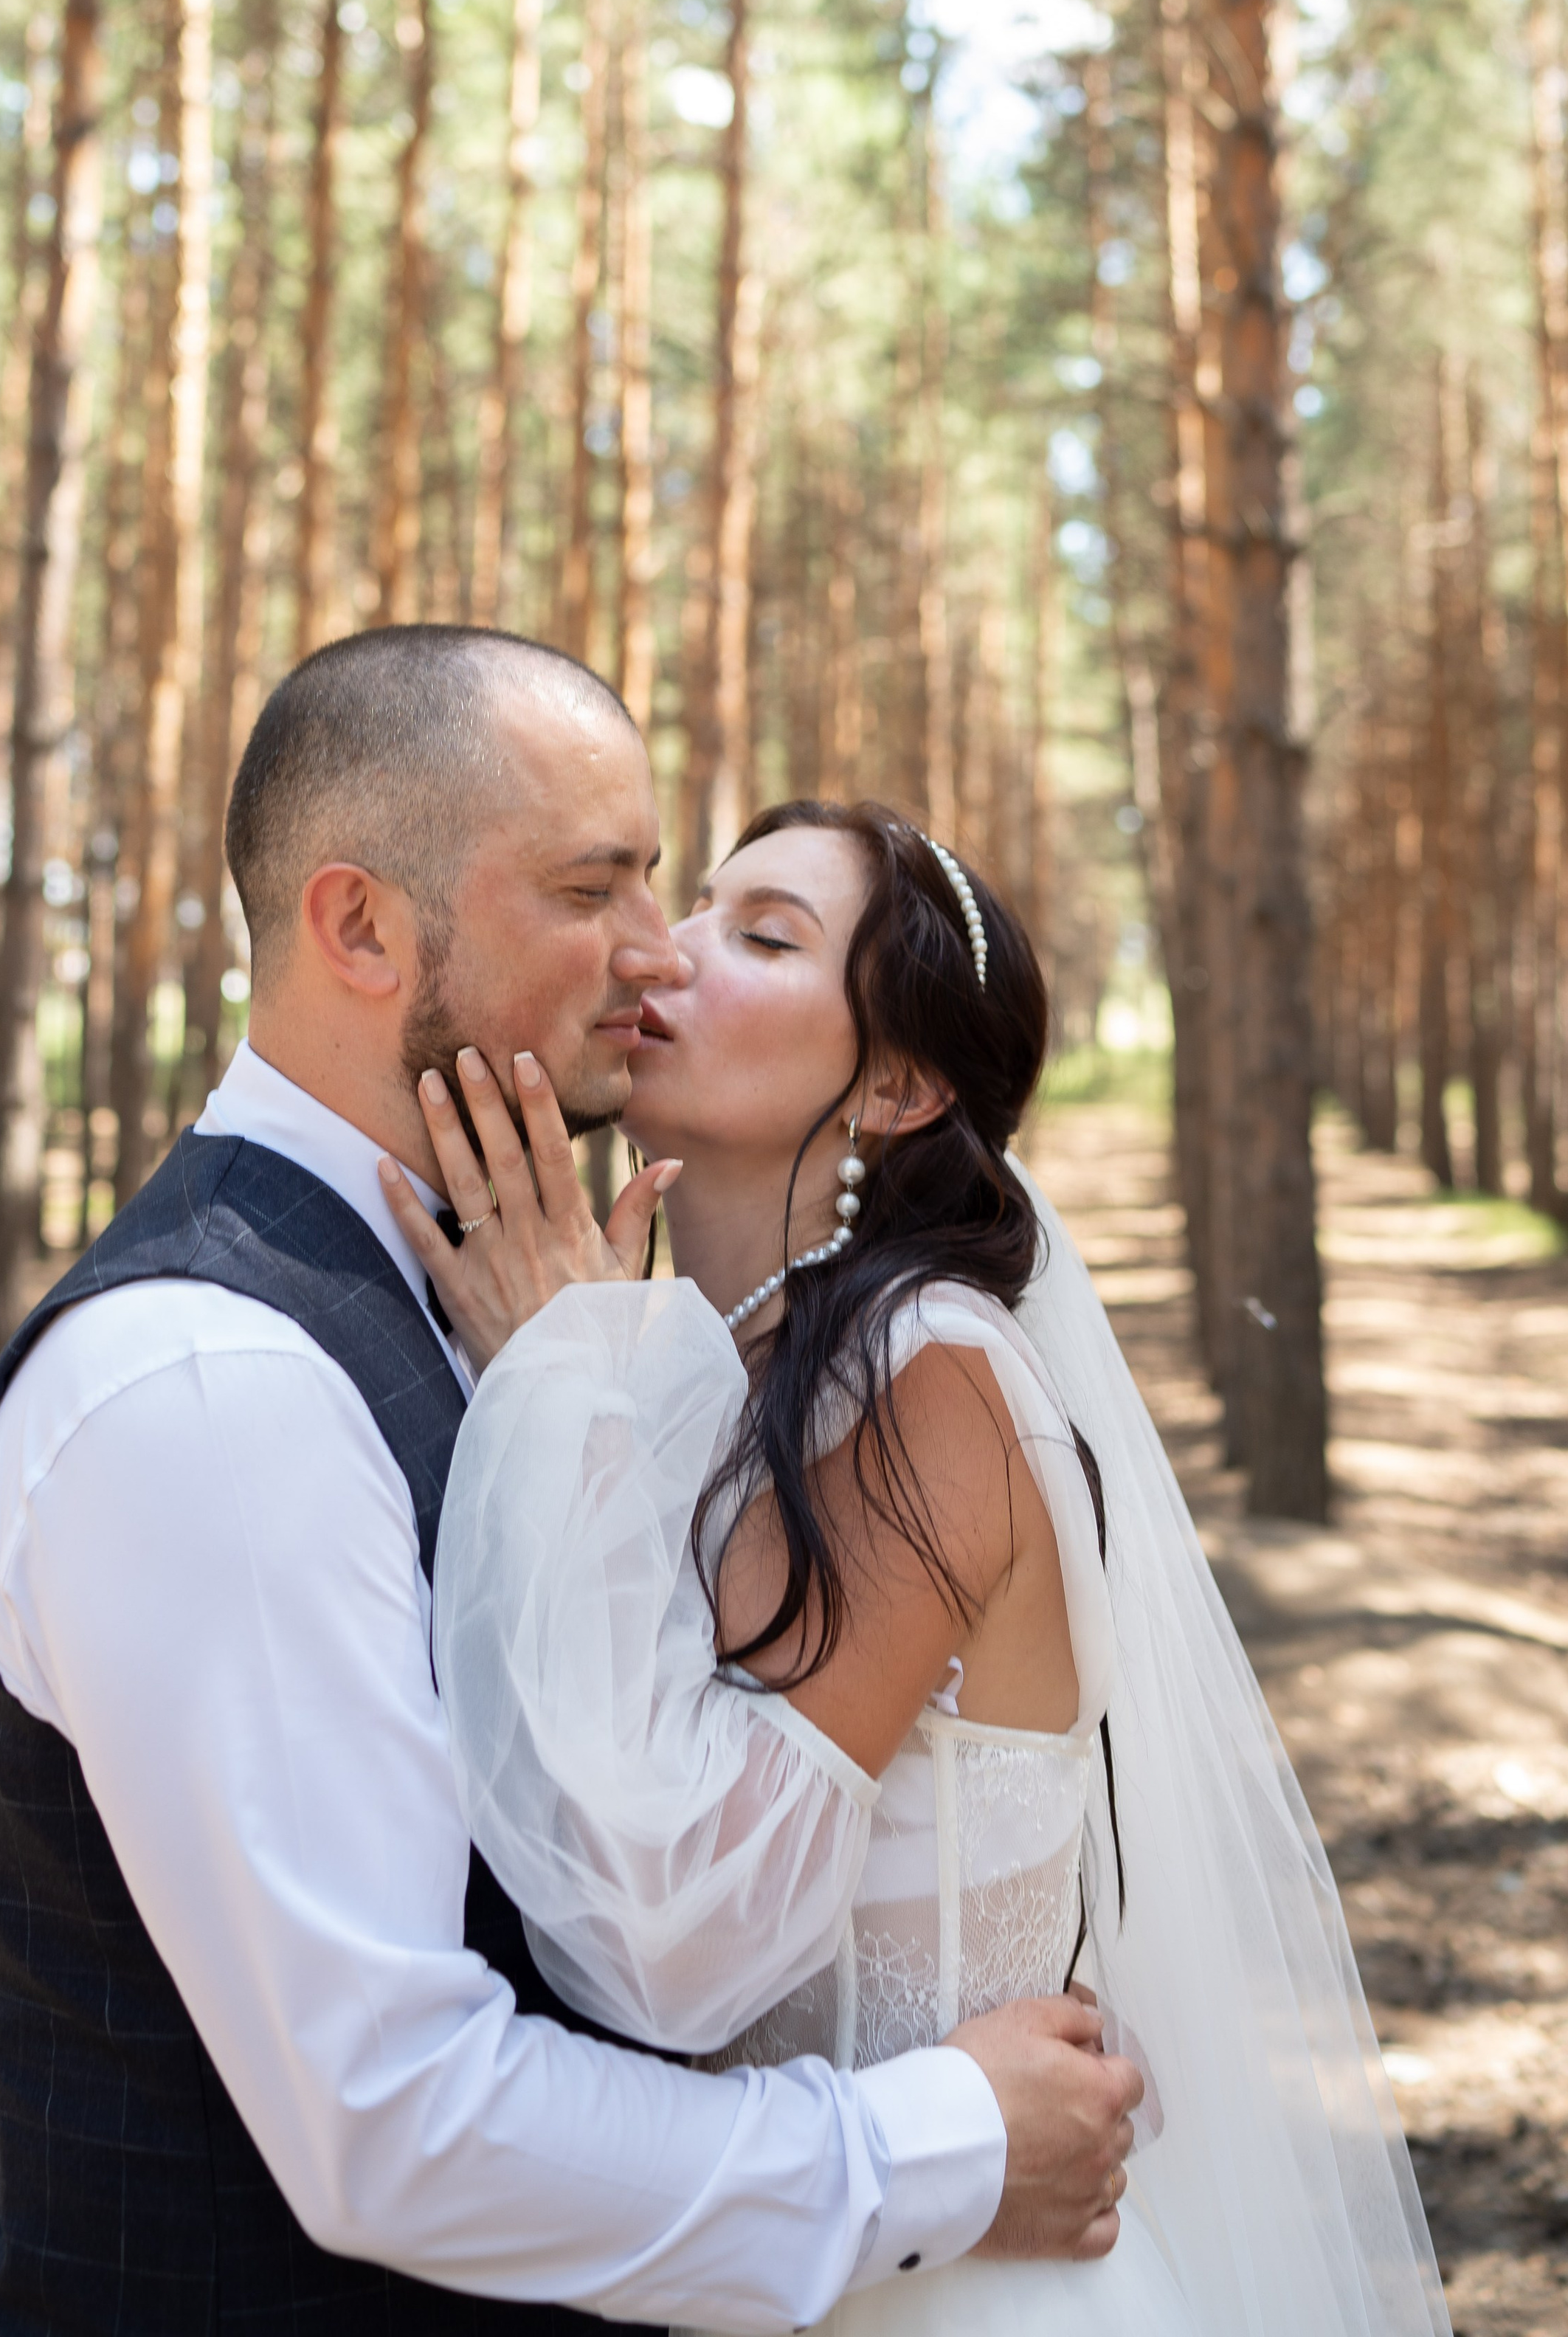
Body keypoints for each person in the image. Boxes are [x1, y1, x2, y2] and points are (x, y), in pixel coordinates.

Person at [0, 629, 1142, 2337]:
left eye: (677, 888)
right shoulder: (215, 1383)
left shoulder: (509, 1304)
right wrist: (937, 2137)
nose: (653, 954)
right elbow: (398, 2115)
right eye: (595, 888)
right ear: (359, 925)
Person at [385, 799, 1455, 2336]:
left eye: (761, 935)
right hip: (776, 2259)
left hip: (955, 2293)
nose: (661, 951)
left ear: (894, 1082)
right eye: (691, 907)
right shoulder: (725, 1367)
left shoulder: (925, 1376)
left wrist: (559, 1376)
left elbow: (675, 1934)